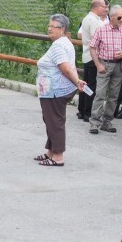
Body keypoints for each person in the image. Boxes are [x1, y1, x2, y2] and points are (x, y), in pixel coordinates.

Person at [34, 14, 86, 167]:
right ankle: (51, 151)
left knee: (55, 122)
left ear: (62, 29)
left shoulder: (59, 46)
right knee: (51, 120)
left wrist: (77, 81)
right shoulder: (63, 42)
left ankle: (58, 156)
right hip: (53, 90)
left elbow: (65, 68)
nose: (49, 29)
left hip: (55, 91)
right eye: (49, 26)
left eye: (53, 26)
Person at [89, 4, 122, 134]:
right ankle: (94, 122)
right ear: (111, 17)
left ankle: (107, 121)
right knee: (100, 94)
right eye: (119, 17)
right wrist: (98, 64)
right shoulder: (101, 30)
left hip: (119, 65)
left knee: (114, 95)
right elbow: (92, 47)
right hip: (104, 64)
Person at [77, 0, 108, 122]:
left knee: (85, 83)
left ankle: (82, 109)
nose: (105, 9)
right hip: (93, 56)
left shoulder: (86, 18)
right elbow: (97, 40)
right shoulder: (94, 21)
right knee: (92, 85)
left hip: (86, 55)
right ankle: (88, 112)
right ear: (97, 7)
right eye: (103, 6)